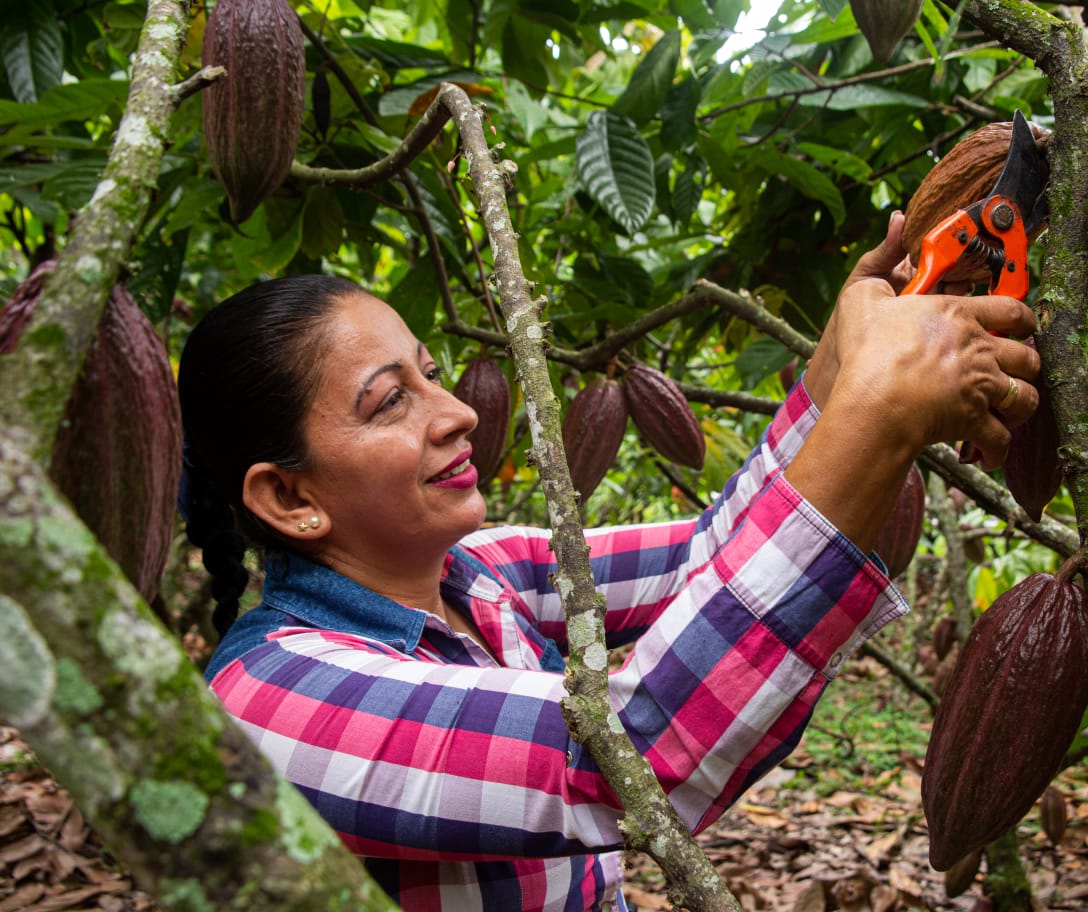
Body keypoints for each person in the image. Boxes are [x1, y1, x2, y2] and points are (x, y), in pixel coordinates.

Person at [176, 210, 1040, 912]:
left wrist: (838, 371)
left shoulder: (480, 575)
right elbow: (624, 760)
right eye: (390, 401)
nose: (457, 414)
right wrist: (876, 414)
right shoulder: (268, 707)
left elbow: (711, 551)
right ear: (289, 498)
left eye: (432, 376)